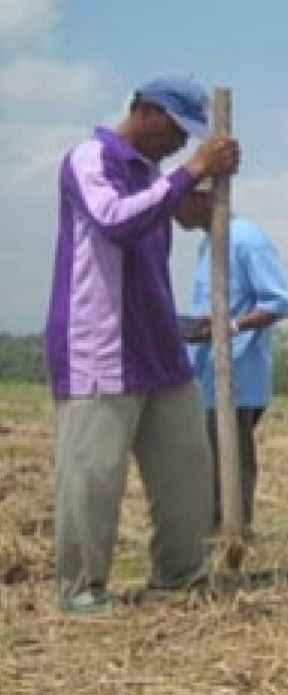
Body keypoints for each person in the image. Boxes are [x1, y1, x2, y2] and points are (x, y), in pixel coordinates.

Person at [45, 74, 240, 614]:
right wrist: (194, 170)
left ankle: (178, 575)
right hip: (98, 347)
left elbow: (159, 209)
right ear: (146, 111)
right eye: (177, 130)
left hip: (158, 347)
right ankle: (82, 588)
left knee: (188, 467)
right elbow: (114, 222)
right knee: (93, 477)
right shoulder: (89, 159)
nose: (181, 143)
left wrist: (197, 202)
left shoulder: (151, 174)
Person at [174, 182, 288, 527]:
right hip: (207, 375)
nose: (172, 211)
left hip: (237, 376)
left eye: (177, 201)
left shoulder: (247, 240)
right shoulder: (208, 244)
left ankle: (233, 539)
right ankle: (213, 534)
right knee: (207, 465)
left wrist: (230, 327)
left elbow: (278, 302)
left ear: (200, 197)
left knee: (230, 464)